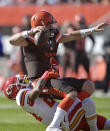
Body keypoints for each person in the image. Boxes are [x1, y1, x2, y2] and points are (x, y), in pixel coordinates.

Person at [9, 10, 108, 130]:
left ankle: (72, 113)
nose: (53, 25)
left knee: (88, 86)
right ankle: (53, 126)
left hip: (53, 77)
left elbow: (70, 36)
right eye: (50, 23)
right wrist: (30, 32)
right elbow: (12, 40)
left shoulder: (53, 35)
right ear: (43, 25)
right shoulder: (29, 38)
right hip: (40, 81)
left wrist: (91, 30)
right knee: (71, 93)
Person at [3, 74, 110, 131]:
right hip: (65, 120)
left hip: (67, 117)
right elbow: (32, 96)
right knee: (87, 103)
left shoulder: (26, 93)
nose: (23, 80)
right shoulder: (20, 96)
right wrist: (42, 81)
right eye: (19, 81)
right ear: (13, 89)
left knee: (106, 124)